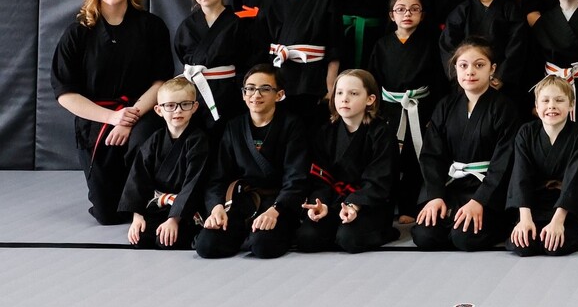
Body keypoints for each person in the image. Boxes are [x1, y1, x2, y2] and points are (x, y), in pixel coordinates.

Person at [53, 0, 173, 224]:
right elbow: (65, 93)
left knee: (143, 142)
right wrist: (112, 117)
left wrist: (128, 118)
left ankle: (149, 200)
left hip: (142, 113)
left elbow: (160, 82)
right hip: (98, 118)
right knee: (108, 214)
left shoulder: (151, 27)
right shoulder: (78, 32)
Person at [413, 39, 521, 251]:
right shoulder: (445, 106)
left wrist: (480, 200)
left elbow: (504, 162)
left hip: (488, 191)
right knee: (425, 236)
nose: (470, 71)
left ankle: (499, 223)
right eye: (463, 65)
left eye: (479, 65)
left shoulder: (504, 108)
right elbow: (432, 155)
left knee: (464, 238)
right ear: (456, 68)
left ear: (492, 69)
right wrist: (435, 196)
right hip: (452, 187)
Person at [195, 65, 310, 258]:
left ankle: (258, 236)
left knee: (263, 246)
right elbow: (217, 177)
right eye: (250, 88)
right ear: (243, 94)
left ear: (279, 95)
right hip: (244, 201)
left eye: (265, 89)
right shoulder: (233, 127)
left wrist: (276, 209)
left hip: (279, 203)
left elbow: (297, 177)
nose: (256, 95)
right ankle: (245, 235)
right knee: (207, 245)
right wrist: (216, 207)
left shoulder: (292, 126)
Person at [296, 69, 396, 253]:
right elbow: (320, 178)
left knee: (348, 239)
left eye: (353, 93)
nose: (344, 99)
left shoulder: (381, 133)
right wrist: (321, 204)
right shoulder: (326, 132)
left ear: (370, 99)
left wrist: (354, 205)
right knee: (307, 238)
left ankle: (383, 231)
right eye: (340, 93)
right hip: (334, 201)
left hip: (367, 204)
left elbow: (379, 179)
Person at [366, 0, 444, 222]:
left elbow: (438, 81)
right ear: (392, 15)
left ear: (422, 14)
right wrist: (374, 110)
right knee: (388, 156)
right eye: (400, 9)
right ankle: (385, 204)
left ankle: (409, 206)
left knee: (414, 156)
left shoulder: (431, 44)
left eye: (414, 9)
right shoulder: (381, 45)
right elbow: (373, 80)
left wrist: (434, 114)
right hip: (389, 109)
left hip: (420, 107)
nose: (407, 14)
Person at [263, 0, 341, 124]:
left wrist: (331, 85)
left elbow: (335, 45)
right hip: (280, 77)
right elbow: (261, 43)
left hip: (315, 79)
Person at [507, 76, 578, 257]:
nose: (552, 106)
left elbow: (576, 180)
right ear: (536, 106)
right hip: (533, 205)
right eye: (545, 101)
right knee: (523, 246)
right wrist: (524, 219)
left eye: (559, 100)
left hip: (567, 208)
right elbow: (520, 176)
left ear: (571, 105)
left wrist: (558, 222)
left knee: (554, 247)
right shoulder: (526, 133)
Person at [120, 77, 209, 249]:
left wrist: (174, 219)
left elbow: (194, 183)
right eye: (170, 105)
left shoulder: (198, 140)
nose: (178, 110)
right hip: (160, 206)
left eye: (185, 104)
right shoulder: (155, 140)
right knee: (141, 239)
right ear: (159, 110)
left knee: (165, 242)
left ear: (195, 107)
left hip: (187, 209)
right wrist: (137, 216)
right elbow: (138, 178)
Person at [438, 0, 529, 104]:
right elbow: (448, 47)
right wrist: (462, 77)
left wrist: (500, 77)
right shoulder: (460, 12)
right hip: (467, 84)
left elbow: (517, 47)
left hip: (502, 87)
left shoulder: (512, 12)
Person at [174, 0, 257, 128]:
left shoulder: (237, 24)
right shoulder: (187, 26)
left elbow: (247, 59)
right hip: (195, 92)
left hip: (229, 93)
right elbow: (182, 54)